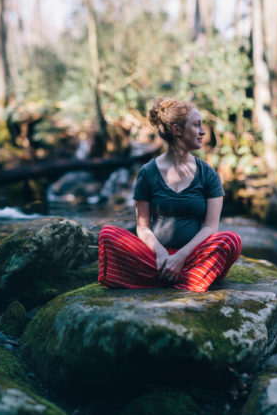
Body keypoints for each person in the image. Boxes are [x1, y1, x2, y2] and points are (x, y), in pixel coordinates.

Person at [98, 96, 241, 292]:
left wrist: (181, 256)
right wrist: (161, 254)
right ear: (177, 130)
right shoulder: (147, 173)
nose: (203, 131)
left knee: (231, 240)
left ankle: (158, 278)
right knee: (107, 234)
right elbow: (143, 227)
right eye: (196, 125)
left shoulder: (208, 174)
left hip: (193, 255)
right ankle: (188, 279)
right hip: (156, 257)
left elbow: (210, 227)